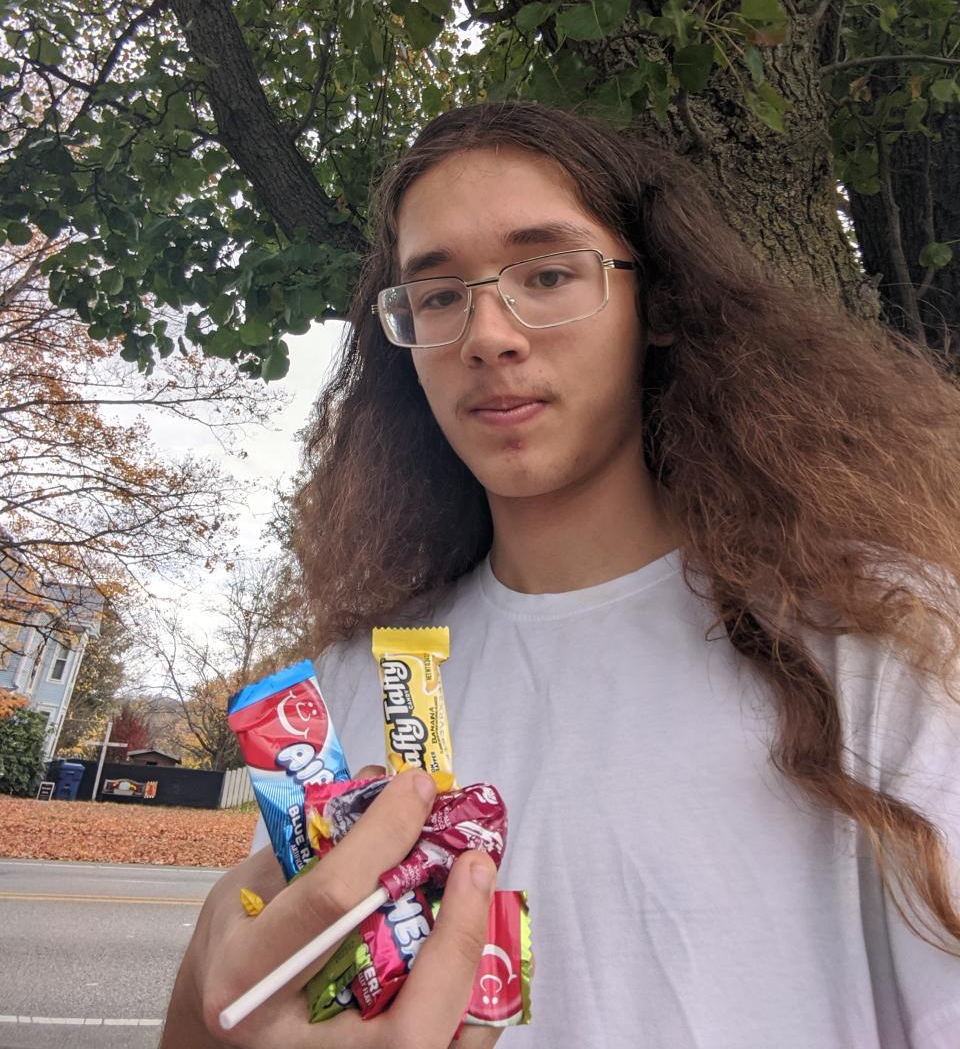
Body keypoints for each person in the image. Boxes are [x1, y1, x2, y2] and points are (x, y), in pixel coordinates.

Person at [162, 102, 960, 1048]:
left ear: (657, 304)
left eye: (547, 274)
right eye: (438, 296)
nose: (488, 335)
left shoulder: (885, 640)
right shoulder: (346, 686)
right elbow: (260, 1007)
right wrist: (204, 985)